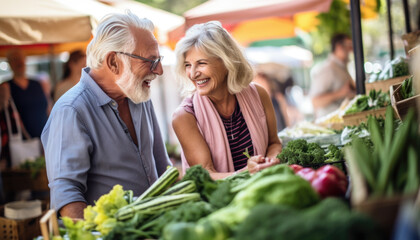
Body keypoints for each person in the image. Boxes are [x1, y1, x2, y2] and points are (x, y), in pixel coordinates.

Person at [41, 12, 171, 219]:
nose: (160, 70)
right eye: (151, 60)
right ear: (113, 62)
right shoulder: (72, 110)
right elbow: (67, 198)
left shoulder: (138, 94)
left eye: (159, 60)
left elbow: (163, 166)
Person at [172, 21, 282, 180]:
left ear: (226, 61)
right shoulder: (185, 117)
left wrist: (270, 161)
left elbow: (274, 143)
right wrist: (247, 173)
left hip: (266, 188)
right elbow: (205, 174)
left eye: (201, 63)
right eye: (188, 65)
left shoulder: (259, 94)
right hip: (221, 201)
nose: (193, 73)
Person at [6, 49, 51, 138]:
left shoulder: (38, 84)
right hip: (23, 140)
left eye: (21, 59)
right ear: (10, 64)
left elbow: (48, 108)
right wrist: (27, 137)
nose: (19, 62)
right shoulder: (6, 87)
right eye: (15, 59)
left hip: (45, 135)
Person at [309, 33, 356, 118]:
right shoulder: (328, 69)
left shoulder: (341, 67)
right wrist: (341, 93)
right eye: (348, 45)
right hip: (331, 126)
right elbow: (315, 102)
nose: (351, 49)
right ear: (339, 47)